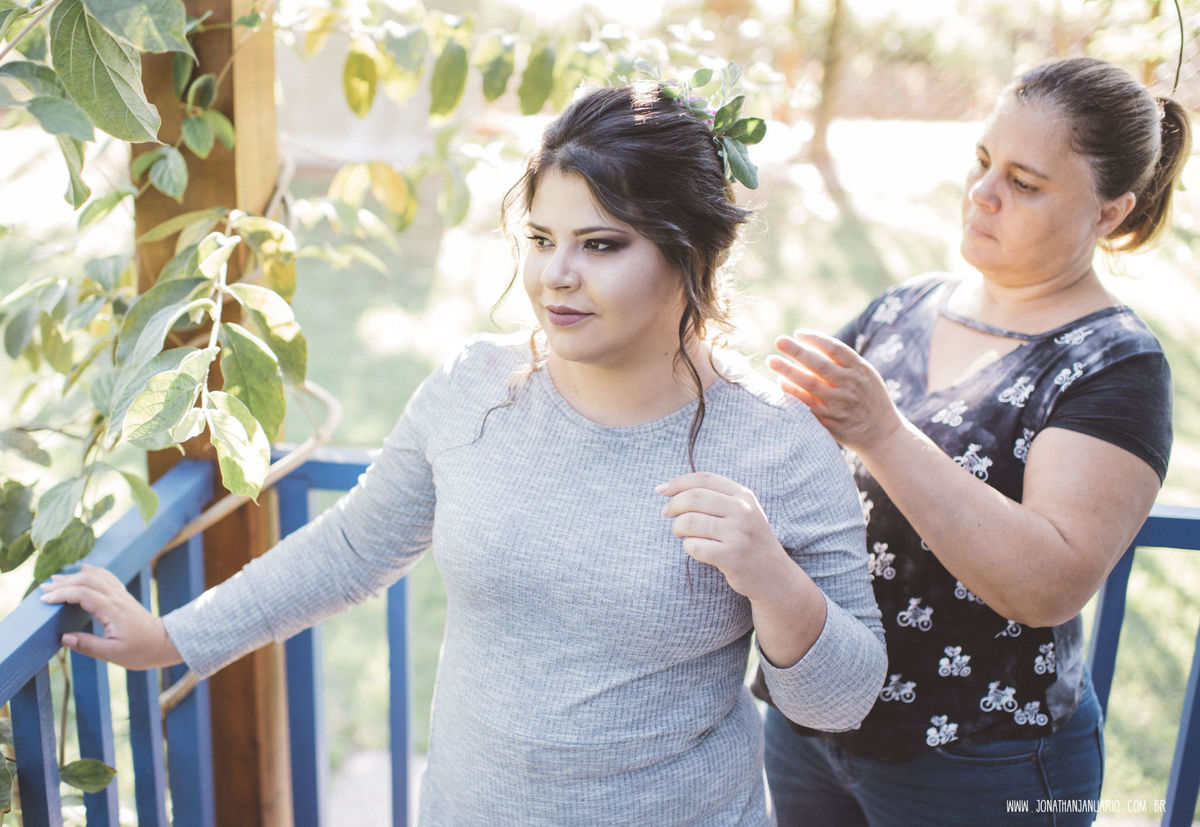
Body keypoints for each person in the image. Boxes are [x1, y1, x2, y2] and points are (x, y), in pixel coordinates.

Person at [41, 81, 887, 825]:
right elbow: (352, 548)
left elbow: (841, 701)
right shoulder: (476, 388)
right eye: (541, 238)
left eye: (601, 244)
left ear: (692, 252)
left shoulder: (777, 441)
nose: (556, 275)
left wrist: (769, 574)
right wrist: (171, 637)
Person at [755, 56, 1191, 825]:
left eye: (1024, 183)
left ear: (1110, 213)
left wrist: (881, 431)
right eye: (983, 161)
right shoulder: (903, 307)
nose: (982, 193)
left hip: (982, 759)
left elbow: (1048, 584)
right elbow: (782, 458)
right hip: (815, 720)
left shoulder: (1114, 363)